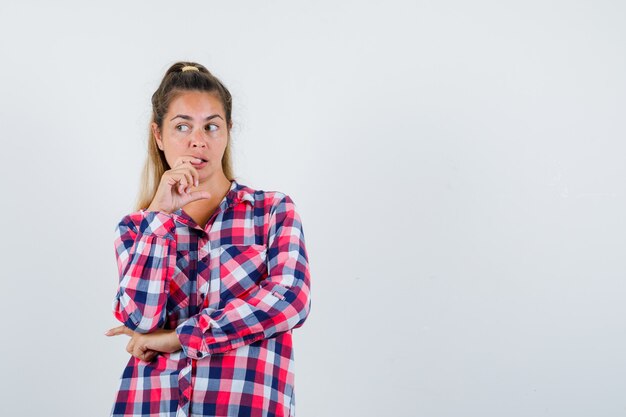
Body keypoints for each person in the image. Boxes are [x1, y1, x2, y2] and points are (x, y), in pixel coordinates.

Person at [104, 61, 312, 417]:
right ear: (158, 135)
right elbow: (140, 319)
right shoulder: (136, 228)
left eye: (211, 126)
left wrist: (181, 337)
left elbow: (289, 301)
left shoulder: (273, 211)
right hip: (151, 405)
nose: (197, 140)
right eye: (182, 126)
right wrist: (160, 217)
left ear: (228, 131)